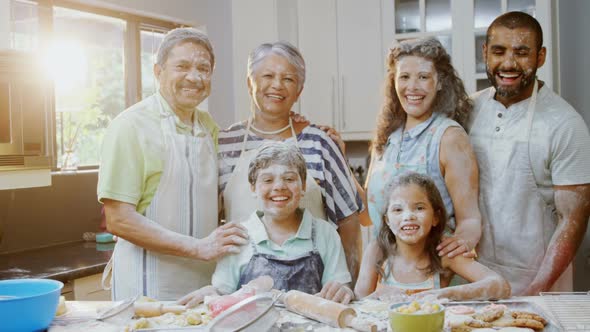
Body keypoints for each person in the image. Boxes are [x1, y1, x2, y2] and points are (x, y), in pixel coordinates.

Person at [97, 28, 248, 300]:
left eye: (204, 68)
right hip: (147, 288)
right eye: (182, 66)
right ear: (158, 72)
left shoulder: (209, 127)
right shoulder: (130, 126)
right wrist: (198, 247)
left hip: (204, 286)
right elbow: (118, 219)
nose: (194, 77)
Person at [218, 41, 363, 282]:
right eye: (267, 75)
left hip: (315, 292)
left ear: (299, 90)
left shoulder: (319, 142)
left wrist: (346, 287)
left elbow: (349, 221)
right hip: (241, 293)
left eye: (288, 79)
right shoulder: (224, 143)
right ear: (249, 82)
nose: (277, 85)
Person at [469, 11, 590, 295]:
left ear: (541, 57)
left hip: (539, 283)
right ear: (485, 52)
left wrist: (536, 291)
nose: (508, 63)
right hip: (476, 277)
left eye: (521, 53)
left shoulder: (564, 123)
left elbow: (573, 219)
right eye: (499, 51)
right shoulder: (468, 110)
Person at [181, 142, 354, 305]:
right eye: (268, 180)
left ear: (303, 187)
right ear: (253, 188)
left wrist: (343, 291)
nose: (279, 186)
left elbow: (341, 290)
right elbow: (221, 294)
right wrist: (211, 293)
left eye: (289, 178)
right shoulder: (237, 237)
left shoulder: (326, 234)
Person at [364, 38, 481, 259]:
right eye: (404, 77)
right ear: (394, 81)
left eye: (424, 77)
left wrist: (458, 247)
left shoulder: (448, 137)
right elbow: (366, 215)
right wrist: (335, 153)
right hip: (387, 271)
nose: (413, 87)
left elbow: (470, 221)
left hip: (433, 274)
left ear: (440, 82)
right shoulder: (387, 137)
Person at [355, 172, 510, 301]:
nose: (408, 216)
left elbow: (500, 286)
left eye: (419, 208)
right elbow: (359, 305)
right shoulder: (378, 250)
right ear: (387, 220)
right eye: (397, 210)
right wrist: (378, 296)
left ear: (436, 217)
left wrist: (446, 294)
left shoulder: (444, 253)